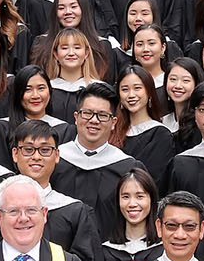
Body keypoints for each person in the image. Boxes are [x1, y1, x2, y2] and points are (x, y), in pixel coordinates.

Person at [0, 120, 102, 261]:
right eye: (28, 150)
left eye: (45, 150)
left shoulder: (75, 212)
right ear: (15, 154)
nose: (36, 157)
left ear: (57, 155)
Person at [54, 83, 145, 239]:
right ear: (76, 118)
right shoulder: (55, 160)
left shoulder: (128, 168)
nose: (94, 120)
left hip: (110, 255)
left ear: (113, 123)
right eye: (87, 113)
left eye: (103, 115)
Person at [97, 168, 164, 261]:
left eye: (140, 196)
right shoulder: (105, 253)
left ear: (151, 200)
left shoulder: (164, 250)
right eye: (125, 197)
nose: (132, 204)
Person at [115, 66, 175, 185]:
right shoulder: (112, 131)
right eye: (125, 89)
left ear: (149, 92)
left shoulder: (160, 135)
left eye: (137, 88)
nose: (131, 95)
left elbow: (156, 180)